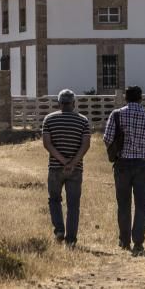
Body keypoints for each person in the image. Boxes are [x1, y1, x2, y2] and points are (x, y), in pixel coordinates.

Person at [103, 84, 145, 253]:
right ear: (141, 98)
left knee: (123, 203)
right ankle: (139, 241)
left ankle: (124, 240)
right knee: (142, 204)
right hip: (143, 164)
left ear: (125, 98)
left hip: (123, 164)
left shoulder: (117, 114)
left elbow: (107, 138)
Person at [41, 88, 91, 247]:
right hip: (76, 169)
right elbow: (85, 145)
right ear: (74, 103)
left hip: (55, 167)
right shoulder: (83, 120)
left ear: (59, 103)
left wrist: (63, 161)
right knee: (73, 204)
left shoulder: (49, 119)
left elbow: (47, 144)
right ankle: (71, 240)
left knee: (54, 200)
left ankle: (59, 230)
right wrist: (72, 163)